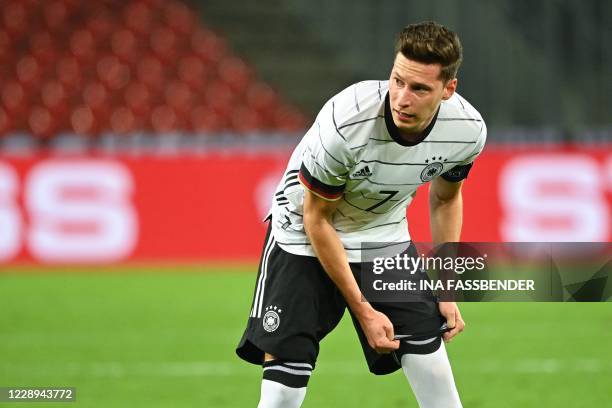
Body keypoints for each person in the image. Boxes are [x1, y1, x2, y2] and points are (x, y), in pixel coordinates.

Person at [236, 21, 486, 408]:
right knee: (283, 393)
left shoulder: (467, 131)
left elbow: (445, 199)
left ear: (448, 89)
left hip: (381, 233)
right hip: (302, 235)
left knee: (436, 376)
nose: (402, 98)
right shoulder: (347, 120)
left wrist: (447, 285)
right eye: (398, 80)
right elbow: (317, 218)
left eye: (419, 88)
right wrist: (365, 310)